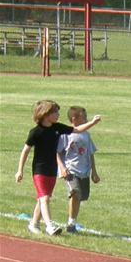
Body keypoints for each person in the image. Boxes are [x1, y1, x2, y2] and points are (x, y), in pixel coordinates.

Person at [15, 100, 100, 236]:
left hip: (51, 170)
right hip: (39, 170)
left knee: (44, 197)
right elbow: (25, 151)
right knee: (44, 198)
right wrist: (20, 170)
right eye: (55, 112)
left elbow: (77, 130)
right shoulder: (35, 132)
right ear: (45, 114)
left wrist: (93, 123)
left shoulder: (57, 128)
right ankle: (49, 226)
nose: (58, 114)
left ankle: (34, 224)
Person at [57, 105, 100, 234]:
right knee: (75, 193)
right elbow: (57, 152)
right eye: (84, 117)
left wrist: (94, 171)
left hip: (84, 171)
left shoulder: (86, 135)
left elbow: (90, 153)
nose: (86, 119)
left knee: (81, 196)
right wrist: (62, 168)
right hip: (71, 170)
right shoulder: (66, 134)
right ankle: (71, 224)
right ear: (74, 119)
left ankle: (73, 220)